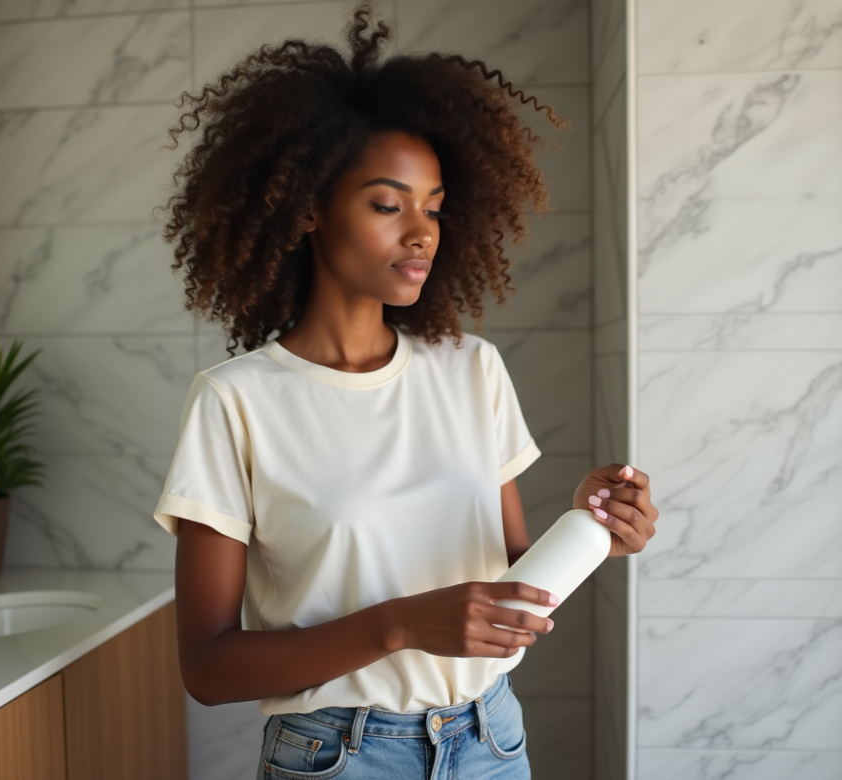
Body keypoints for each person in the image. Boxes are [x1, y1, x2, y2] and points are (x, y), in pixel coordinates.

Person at [154, 4, 660, 778]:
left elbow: (513, 582)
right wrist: (397, 626)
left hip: (490, 741)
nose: (421, 233)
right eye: (388, 205)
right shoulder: (237, 402)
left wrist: (593, 528)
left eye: (433, 209)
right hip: (337, 757)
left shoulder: (472, 369)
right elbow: (209, 668)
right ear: (310, 209)